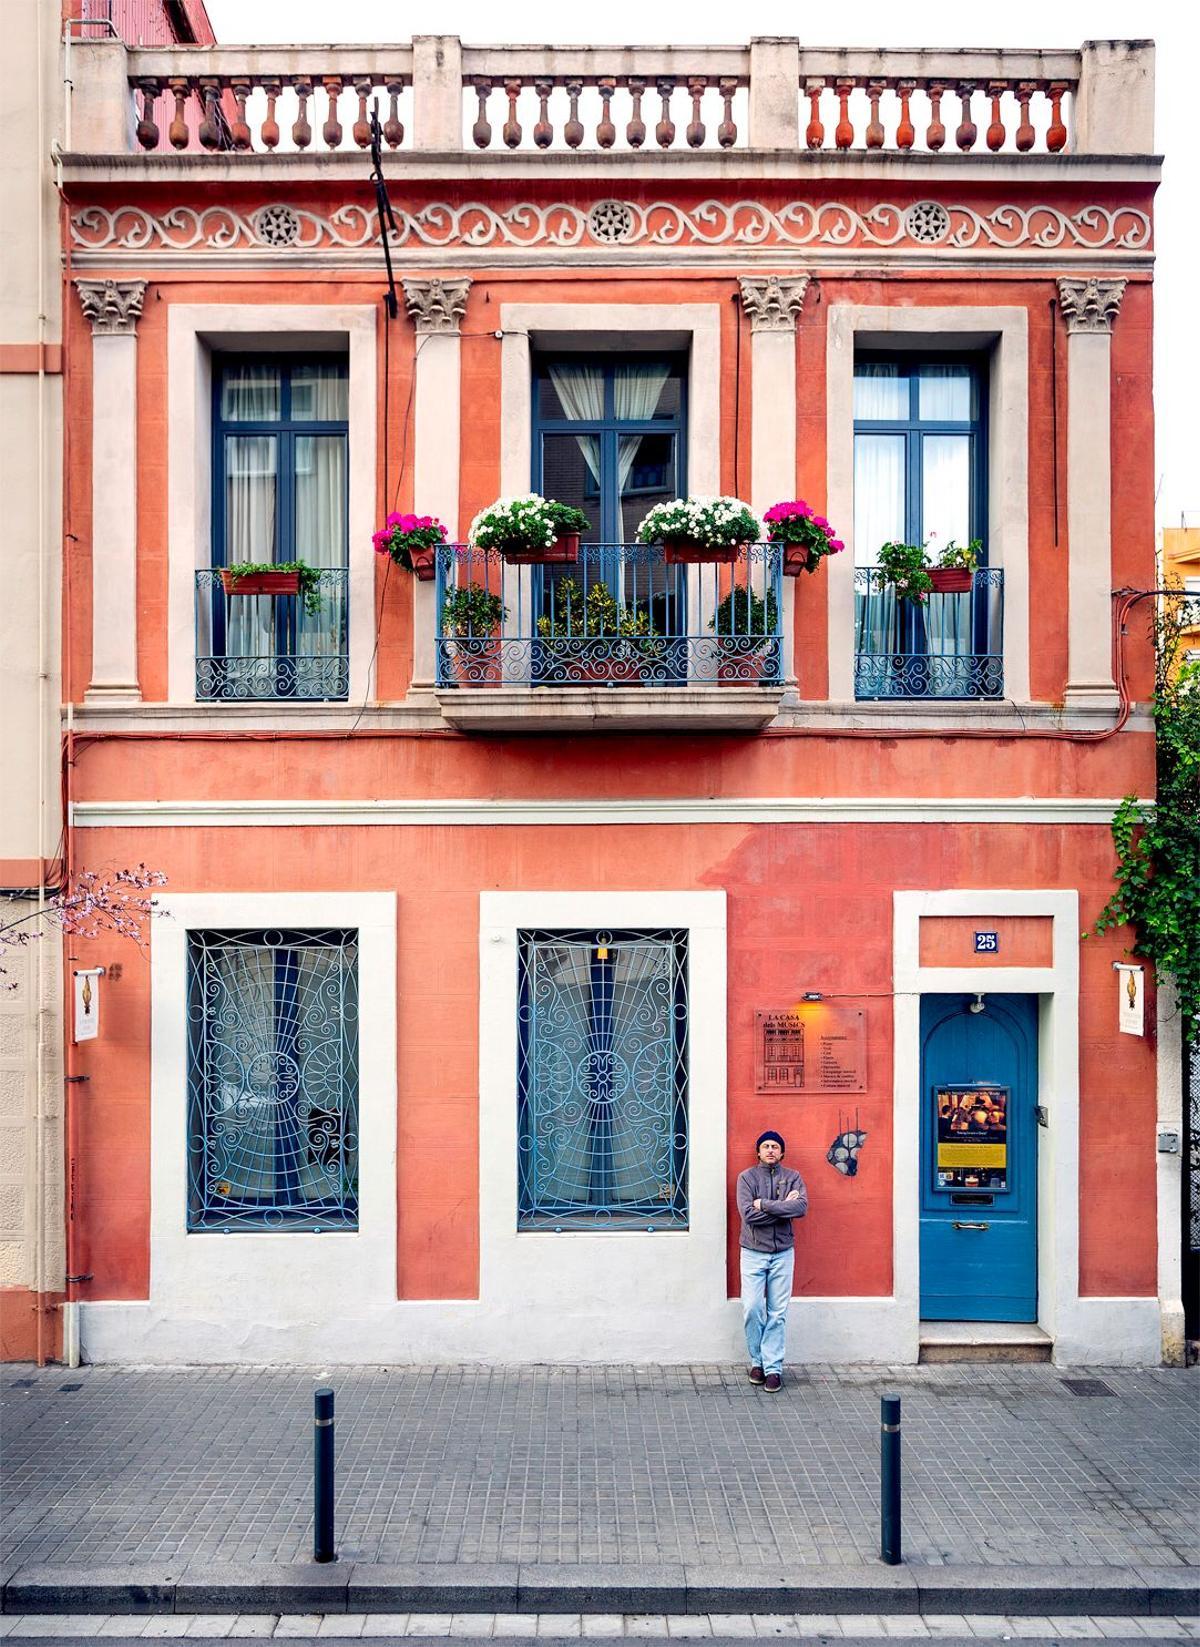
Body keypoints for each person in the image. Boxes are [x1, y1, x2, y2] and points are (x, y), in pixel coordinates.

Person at [736, 1129, 808, 1391]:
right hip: (753, 1252)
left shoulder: (793, 1177)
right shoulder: (746, 1178)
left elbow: (800, 1208)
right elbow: (747, 1215)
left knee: (777, 1314)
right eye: (765, 1146)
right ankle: (757, 1362)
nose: (770, 1150)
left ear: (782, 1153)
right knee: (753, 1308)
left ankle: (773, 1368)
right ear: (758, 1151)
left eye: (775, 1147)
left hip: (783, 1253)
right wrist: (782, 1208)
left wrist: (763, 1205)